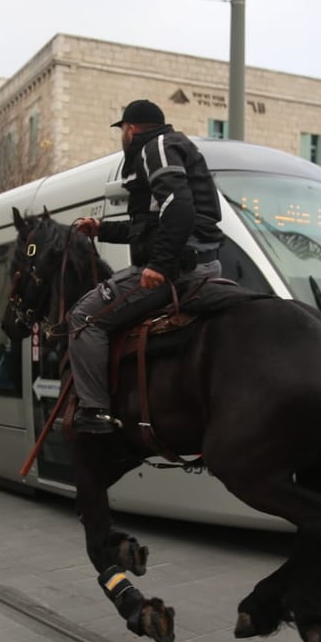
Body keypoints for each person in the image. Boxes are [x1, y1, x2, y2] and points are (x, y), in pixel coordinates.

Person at [69, 99, 224, 434]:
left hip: (178, 270)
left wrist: (161, 265)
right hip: (202, 264)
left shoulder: (155, 148)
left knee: (83, 318)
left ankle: (94, 411)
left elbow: (179, 208)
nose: (122, 137)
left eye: (122, 130)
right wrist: (101, 228)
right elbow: (152, 228)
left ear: (131, 129)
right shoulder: (173, 147)